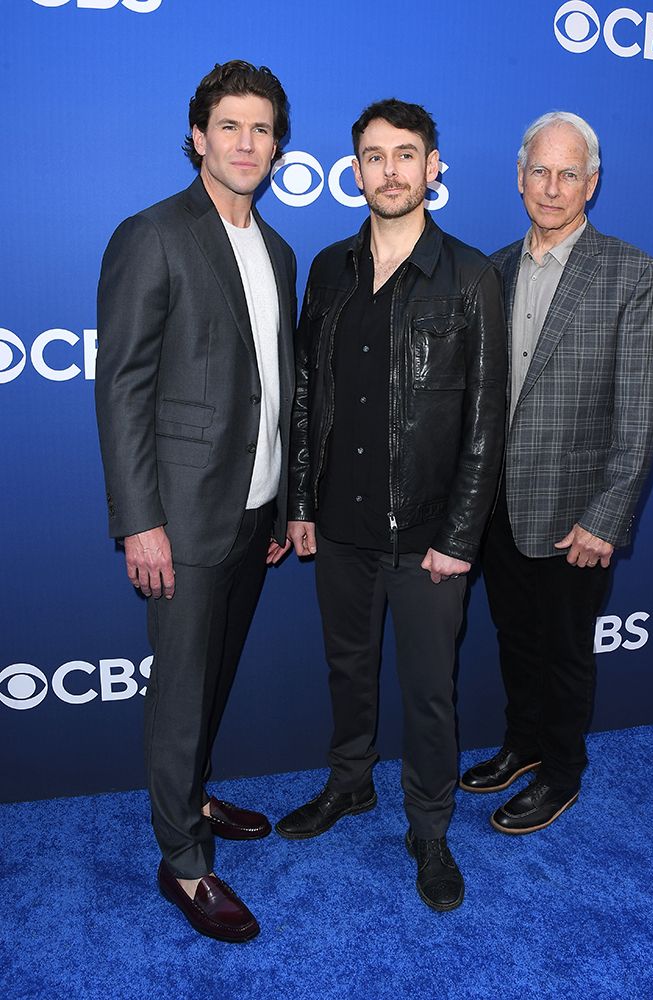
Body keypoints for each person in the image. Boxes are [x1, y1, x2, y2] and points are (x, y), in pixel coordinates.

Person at [277, 98, 506, 911]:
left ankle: (430, 827)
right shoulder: (329, 268)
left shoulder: (471, 275)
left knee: (428, 688)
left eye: (405, 154)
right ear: (356, 169)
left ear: (433, 166)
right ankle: (349, 784)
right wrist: (299, 499)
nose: (389, 170)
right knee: (348, 668)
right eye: (373, 156)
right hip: (339, 524)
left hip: (428, 536)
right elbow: (306, 394)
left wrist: (459, 537)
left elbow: (486, 422)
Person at [95, 60, 296, 942]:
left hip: (254, 510)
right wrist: (141, 520)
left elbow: (273, 388)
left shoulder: (278, 249)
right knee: (178, 693)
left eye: (261, 129)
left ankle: (194, 799)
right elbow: (124, 390)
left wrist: (285, 500)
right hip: (178, 517)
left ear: (277, 144)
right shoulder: (153, 234)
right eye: (229, 127)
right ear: (197, 137)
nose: (245, 143)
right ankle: (182, 862)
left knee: (211, 680)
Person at [461, 111, 653, 835]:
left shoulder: (632, 273)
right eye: (539, 172)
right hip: (495, 511)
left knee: (565, 653)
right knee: (513, 641)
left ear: (592, 183)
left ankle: (560, 770)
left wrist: (606, 516)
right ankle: (521, 744)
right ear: (519, 179)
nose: (552, 188)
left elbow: (640, 411)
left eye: (568, 173)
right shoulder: (489, 270)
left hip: (575, 514)